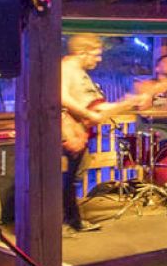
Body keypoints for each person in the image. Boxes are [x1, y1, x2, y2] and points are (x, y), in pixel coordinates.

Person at [60, 35, 153, 233]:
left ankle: (71, 220)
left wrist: (127, 103)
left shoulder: (78, 72)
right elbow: (63, 98)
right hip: (69, 134)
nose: (99, 59)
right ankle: (66, 222)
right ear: (82, 52)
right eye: (96, 54)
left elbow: (98, 110)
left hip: (79, 132)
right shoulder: (67, 69)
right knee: (66, 179)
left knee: (71, 179)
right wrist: (87, 115)